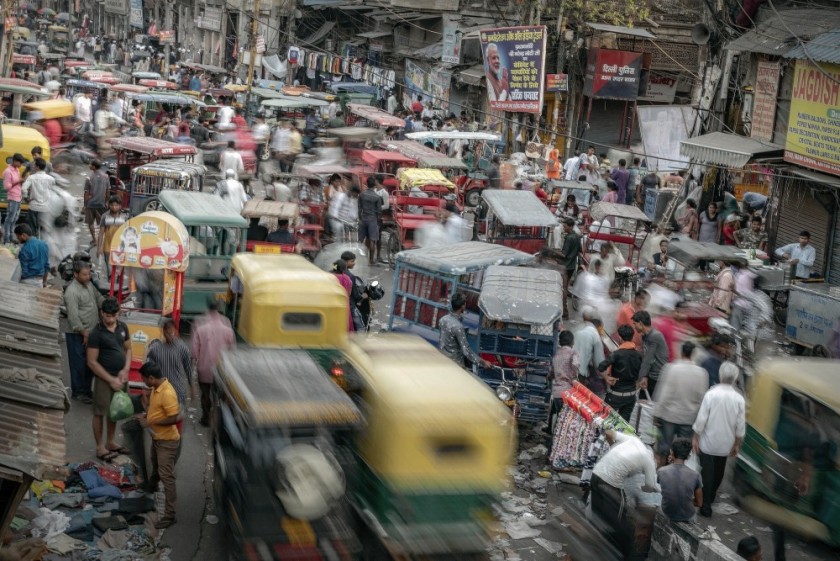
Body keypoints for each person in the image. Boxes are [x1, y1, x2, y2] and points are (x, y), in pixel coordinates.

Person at [591, 430, 659, 557]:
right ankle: (624, 554)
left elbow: (609, 433)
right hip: (610, 484)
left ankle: (598, 545)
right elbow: (650, 486)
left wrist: (613, 449)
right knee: (620, 521)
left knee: (599, 515)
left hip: (596, 474)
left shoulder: (634, 440)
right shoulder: (649, 460)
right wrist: (646, 488)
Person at [692, 361, 745, 518]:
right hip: (725, 443)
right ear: (735, 378)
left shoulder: (711, 394)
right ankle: (710, 496)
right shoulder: (739, 399)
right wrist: (736, 445)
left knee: (707, 472)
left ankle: (706, 504)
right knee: (719, 472)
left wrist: (695, 437)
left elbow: (701, 420)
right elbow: (740, 427)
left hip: (708, 441)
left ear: (720, 376)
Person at [86, 297, 131, 462]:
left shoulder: (123, 327)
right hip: (104, 379)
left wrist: (126, 369)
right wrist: (110, 379)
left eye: (113, 315)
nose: (110, 319)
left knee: (115, 411)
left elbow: (128, 350)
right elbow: (91, 362)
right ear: (101, 313)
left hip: (120, 377)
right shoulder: (96, 333)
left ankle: (111, 442)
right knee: (99, 412)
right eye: (107, 315)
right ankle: (99, 446)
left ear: (118, 313)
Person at [137, 362, 180, 529]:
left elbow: (174, 418)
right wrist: (147, 411)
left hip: (167, 442)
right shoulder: (156, 388)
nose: (143, 382)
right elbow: (157, 410)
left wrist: (151, 423)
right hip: (157, 438)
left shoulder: (168, 393)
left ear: (152, 378)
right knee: (155, 464)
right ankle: (151, 486)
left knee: (166, 476)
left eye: (144, 379)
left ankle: (170, 515)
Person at [652, 341, 709, 463]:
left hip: (669, 416)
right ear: (693, 355)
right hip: (689, 418)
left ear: (681, 352)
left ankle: (662, 473)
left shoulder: (671, 368)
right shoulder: (702, 373)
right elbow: (702, 398)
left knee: (665, 447)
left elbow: (664, 394)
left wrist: (656, 414)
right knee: (682, 450)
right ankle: (678, 474)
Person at [64, 260, 104, 404]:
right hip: (78, 335)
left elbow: (98, 299)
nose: (88, 277)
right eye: (84, 274)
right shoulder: (72, 292)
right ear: (76, 274)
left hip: (91, 332)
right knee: (78, 365)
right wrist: (84, 333)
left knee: (90, 364)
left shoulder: (89, 285)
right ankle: (78, 392)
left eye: (89, 274)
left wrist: (107, 305)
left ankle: (87, 390)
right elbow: (73, 318)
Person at [191, 299, 235, 426]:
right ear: (218, 308)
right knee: (220, 395)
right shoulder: (227, 325)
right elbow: (232, 350)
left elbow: (194, 352)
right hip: (222, 369)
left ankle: (206, 418)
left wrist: (193, 367)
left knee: (205, 394)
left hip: (204, 368)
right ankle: (218, 419)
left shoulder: (200, 324)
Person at [597, 325, 642, 421]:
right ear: (632, 337)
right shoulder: (638, 355)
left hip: (615, 395)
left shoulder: (616, 354)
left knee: (605, 421)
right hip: (631, 396)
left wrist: (606, 377)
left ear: (620, 338)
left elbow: (601, 367)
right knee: (624, 425)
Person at [146, 319, 192, 405]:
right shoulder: (156, 349)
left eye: (172, 332)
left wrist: (191, 386)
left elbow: (188, 368)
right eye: (167, 332)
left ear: (175, 331)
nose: (170, 335)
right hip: (161, 391)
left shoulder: (182, 348)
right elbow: (148, 368)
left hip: (177, 391)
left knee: (177, 414)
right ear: (163, 331)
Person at [439, 293, 491, 369]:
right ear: (463, 306)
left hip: (443, 359)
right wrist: (483, 362)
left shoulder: (442, 319)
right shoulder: (458, 327)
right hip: (456, 365)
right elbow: (466, 351)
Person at [657, 437, 702, 523]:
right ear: (689, 456)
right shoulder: (695, 475)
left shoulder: (661, 471)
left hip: (667, 512)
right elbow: (699, 503)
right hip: (687, 515)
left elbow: (665, 490)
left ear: (671, 452)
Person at [632, 311, 668, 396]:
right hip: (650, 376)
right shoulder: (646, 336)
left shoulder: (654, 336)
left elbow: (648, 360)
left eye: (635, 324)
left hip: (656, 378)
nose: (634, 327)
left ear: (640, 323)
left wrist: (641, 378)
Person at [22, 157, 54, 237]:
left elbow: (23, 189)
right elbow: (53, 191)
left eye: (34, 165)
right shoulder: (51, 179)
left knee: (33, 230)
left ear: (38, 167)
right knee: (44, 231)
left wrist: (26, 199)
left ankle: (35, 245)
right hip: (46, 208)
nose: (33, 167)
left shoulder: (31, 177)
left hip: (34, 207)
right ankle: (42, 247)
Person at [573, 306, 606, 384]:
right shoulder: (595, 335)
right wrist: (604, 376)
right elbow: (599, 362)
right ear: (598, 324)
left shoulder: (576, 328)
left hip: (565, 370)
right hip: (579, 374)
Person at [96, 196, 127, 273]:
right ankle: (110, 280)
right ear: (109, 205)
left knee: (119, 269)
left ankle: (117, 281)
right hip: (107, 246)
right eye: (112, 205)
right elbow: (101, 233)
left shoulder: (124, 217)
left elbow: (127, 233)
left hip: (120, 246)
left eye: (116, 205)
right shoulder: (104, 216)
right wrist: (99, 248)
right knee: (109, 269)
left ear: (120, 206)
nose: (114, 207)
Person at [558, 218, 581, 319]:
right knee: (565, 287)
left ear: (570, 226)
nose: (564, 227)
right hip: (572, 266)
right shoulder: (577, 236)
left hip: (565, 266)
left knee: (563, 289)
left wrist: (554, 253)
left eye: (565, 226)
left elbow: (564, 254)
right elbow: (580, 250)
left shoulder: (569, 238)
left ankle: (565, 312)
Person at [358, 177, 383, 265]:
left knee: (360, 240)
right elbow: (379, 212)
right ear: (375, 185)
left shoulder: (361, 195)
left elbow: (359, 208)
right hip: (372, 219)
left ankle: (359, 259)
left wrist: (360, 218)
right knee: (372, 240)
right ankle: (371, 260)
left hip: (363, 218)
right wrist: (378, 221)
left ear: (367, 184)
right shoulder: (377, 197)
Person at [2, 153, 25, 243]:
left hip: (18, 197)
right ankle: (6, 238)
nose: (21, 165)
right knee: (9, 219)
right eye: (20, 163)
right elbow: (6, 187)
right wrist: (18, 181)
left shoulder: (16, 170)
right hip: (13, 197)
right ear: (15, 161)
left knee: (15, 218)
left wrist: (21, 182)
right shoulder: (8, 171)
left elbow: (17, 183)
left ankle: (11, 236)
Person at [84, 160, 110, 240]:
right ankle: (103, 239)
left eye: (90, 164)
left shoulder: (89, 178)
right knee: (103, 223)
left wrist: (85, 205)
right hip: (101, 203)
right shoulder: (106, 177)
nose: (89, 165)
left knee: (90, 223)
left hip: (90, 204)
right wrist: (107, 202)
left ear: (94, 167)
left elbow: (86, 194)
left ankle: (94, 240)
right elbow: (108, 190)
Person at [332, 259, 355, 332]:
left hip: (331, 304)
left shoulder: (329, 277)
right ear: (344, 269)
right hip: (344, 304)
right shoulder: (347, 279)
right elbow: (349, 293)